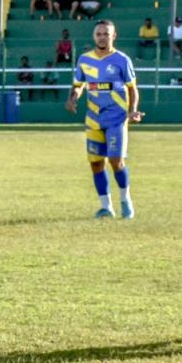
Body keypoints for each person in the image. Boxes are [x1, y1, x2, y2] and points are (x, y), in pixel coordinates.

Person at [66, 20, 140, 220]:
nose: (102, 37)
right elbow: (78, 85)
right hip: (93, 119)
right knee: (96, 163)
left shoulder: (122, 60)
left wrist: (133, 111)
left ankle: (125, 201)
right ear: (94, 36)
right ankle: (106, 207)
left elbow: (132, 89)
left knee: (116, 161)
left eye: (106, 34)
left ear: (113, 36)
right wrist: (73, 98)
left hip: (116, 118)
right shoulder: (84, 60)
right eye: (98, 34)